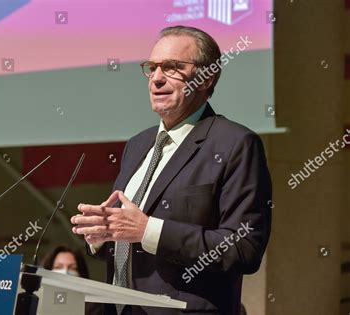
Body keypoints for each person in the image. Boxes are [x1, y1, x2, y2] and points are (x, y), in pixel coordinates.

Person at [71, 25, 272, 315]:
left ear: (207, 77)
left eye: (172, 67)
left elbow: (244, 249)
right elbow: (130, 240)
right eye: (152, 68)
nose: (156, 78)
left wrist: (148, 230)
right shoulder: (138, 144)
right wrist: (103, 235)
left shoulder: (236, 144)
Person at [41, 245, 102, 315]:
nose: (65, 272)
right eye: (58, 267)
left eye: (72, 268)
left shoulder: (96, 309)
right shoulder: (38, 306)